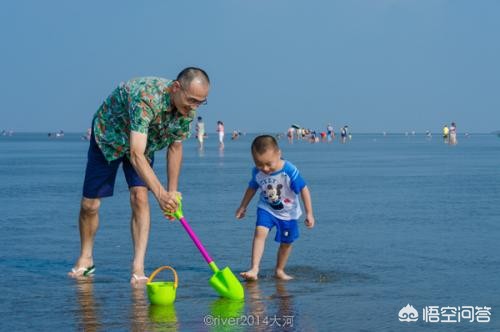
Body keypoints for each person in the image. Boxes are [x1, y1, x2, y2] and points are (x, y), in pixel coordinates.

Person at [68, 67, 210, 284]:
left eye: (200, 103)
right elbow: (135, 154)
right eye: (191, 100)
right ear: (176, 88)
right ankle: (86, 257)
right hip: (109, 137)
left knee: (140, 196)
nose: (194, 107)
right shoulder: (146, 98)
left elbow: (175, 147)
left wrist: (172, 193)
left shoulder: (187, 110)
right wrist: (161, 195)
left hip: (145, 143)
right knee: (90, 205)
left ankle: (138, 267)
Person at [235, 135, 315, 280]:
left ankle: (279, 270)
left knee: (286, 243)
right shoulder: (257, 172)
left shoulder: (289, 170)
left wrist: (309, 213)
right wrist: (243, 206)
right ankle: (254, 268)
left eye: (268, 164)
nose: (264, 169)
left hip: (288, 213)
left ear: (279, 153)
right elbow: (252, 188)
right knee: (260, 233)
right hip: (266, 208)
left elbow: (304, 189)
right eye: (259, 164)